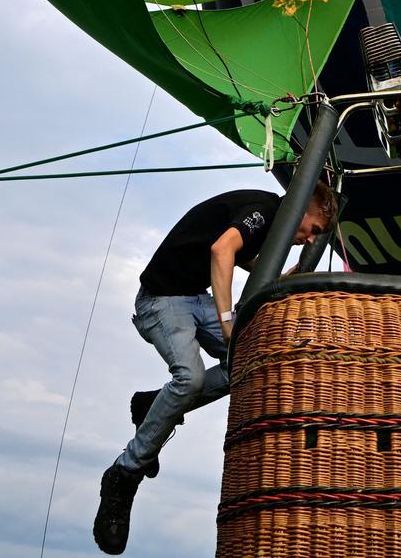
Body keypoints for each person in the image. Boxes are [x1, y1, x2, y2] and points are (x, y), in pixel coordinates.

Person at [92, 182, 337, 555]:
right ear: (303, 208)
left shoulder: (268, 224)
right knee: (189, 378)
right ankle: (125, 471)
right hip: (161, 299)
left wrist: (282, 279)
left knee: (249, 356)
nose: (308, 239)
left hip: (194, 297)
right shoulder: (264, 209)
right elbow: (223, 250)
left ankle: (153, 406)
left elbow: (248, 258)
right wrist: (226, 320)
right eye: (313, 229)